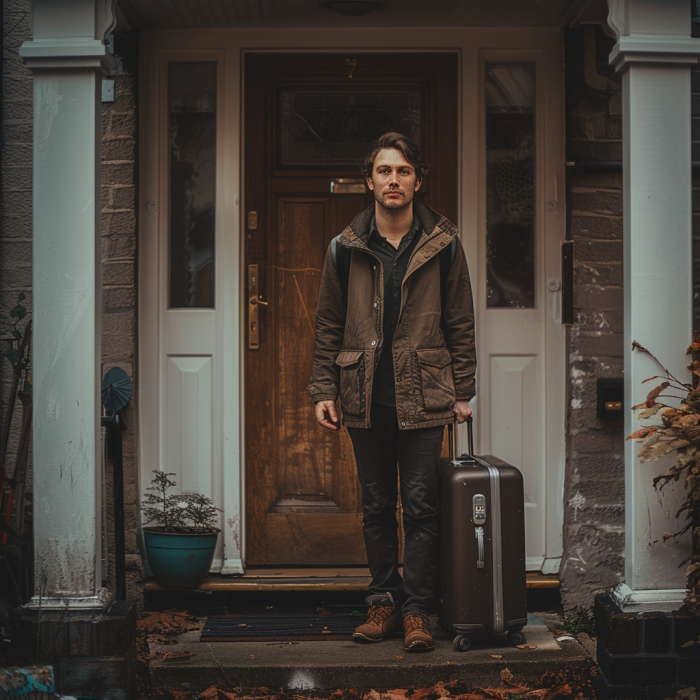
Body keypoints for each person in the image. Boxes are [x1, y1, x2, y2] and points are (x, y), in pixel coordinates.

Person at [307, 132, 476, 652]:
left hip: (425, 397)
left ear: (417, 181)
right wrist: (323, 388)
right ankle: (382, 603)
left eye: (403, 171)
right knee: (377, 507)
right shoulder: (345, 248)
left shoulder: (444, 246)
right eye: (384, 171)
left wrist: (463, 391)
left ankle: (419, 611)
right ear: (370, 181)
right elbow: (329, 324)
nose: (393, 180)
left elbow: (460, 322)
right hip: (363, 397)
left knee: (422, 507)